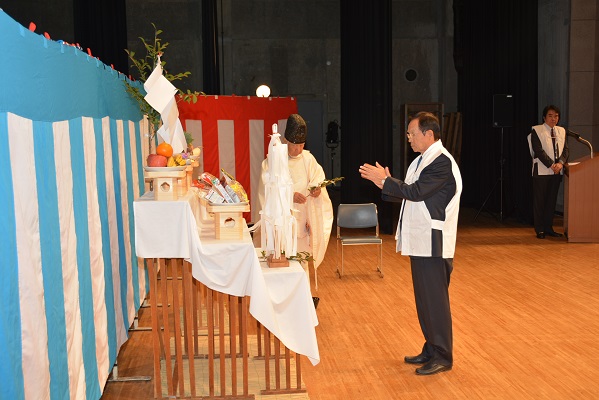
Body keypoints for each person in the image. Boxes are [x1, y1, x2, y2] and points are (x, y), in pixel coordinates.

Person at [359, 111, 462, 376]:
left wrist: (386, 181)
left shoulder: (441, 162)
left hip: (434, 242)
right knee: (425, 301)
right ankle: (431, 348)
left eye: (412, 133)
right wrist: (385, 183)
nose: (408, 138)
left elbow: (415, 192)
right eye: (408, 134)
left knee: (435, 302)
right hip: (421, 241)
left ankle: (443, 355)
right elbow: (409, 193)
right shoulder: (421, 161)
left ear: (429, 134)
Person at [256, 114, 334, 298]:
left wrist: (317, 190)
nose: (298, 149)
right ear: (285, 141)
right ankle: (280, 299)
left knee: (302, 261)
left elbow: (318, 180)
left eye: (301, 145)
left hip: (303, 222)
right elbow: (267, 188)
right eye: (294, 145)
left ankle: (302, 299)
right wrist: (289, 195)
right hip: (281, 223)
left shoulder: (308, 159)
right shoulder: (273, 160)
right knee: (282, 261)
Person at [529, 105, 569, 239]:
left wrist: (560, 163)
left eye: (556, 116)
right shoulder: (537, 130)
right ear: (544, 117)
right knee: (540, 201)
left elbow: (565, 150)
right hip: (542, 171)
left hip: (556, 171)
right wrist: (551, 165)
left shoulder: (561, 131)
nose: (554, 119)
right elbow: (538, 150)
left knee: (551, 201)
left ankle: (548, 227)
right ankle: (539, 229)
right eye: (550, 116)